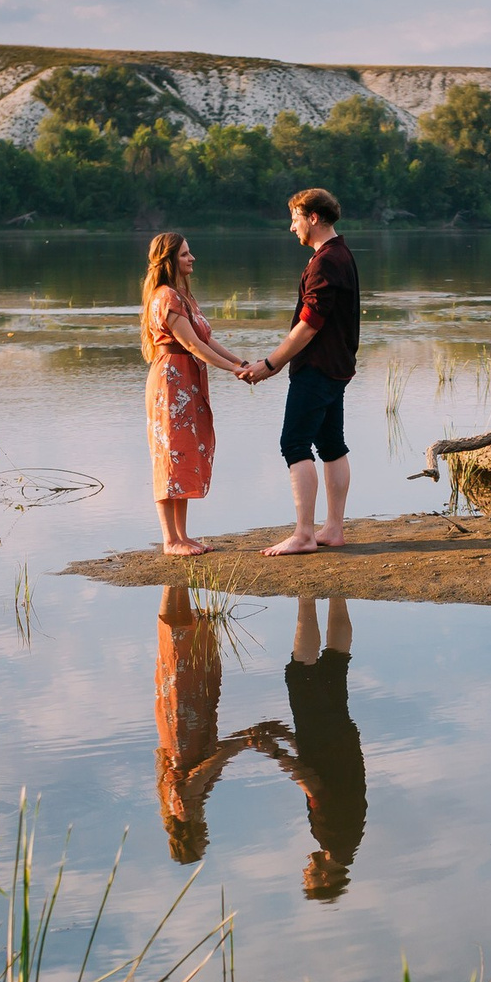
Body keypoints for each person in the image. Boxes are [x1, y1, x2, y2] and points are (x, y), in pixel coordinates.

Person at [238, 189, 359, 556]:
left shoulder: (325, 261)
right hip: (337, 368)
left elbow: (308, 325)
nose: (292, 227)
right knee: (331, 445)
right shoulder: (342, 254)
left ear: (314, 217)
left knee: (294, 444)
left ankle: (305, 534)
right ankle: (333, 529)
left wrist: (270, 365)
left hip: (318, 368)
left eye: (295, 218)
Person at [245, 597, 367, 900]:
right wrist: (275, 752)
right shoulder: (330, 837)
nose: (305, 872)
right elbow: (313, 783)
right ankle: (306, 597)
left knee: (335, 666)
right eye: (309, 879)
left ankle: (337, 593)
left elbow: (328, 772)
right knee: (300, 672)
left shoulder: (351, 841)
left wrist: (287, 736)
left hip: (343, 739)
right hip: (324, 738)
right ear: (324, 877)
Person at [141, 231, 253, 555]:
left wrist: (239, 361)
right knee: (169, 454)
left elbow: (205, 341)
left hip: (185, 380)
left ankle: (182, 535)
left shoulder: (183, 295)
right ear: (170, 260)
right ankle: (170, 540)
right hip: (170, 381)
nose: (192, 258)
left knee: (184, 452)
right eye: (185, 254)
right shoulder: (167, 296)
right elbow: (191, 345)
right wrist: (233, 370)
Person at [152, 585, 251, 862]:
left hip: (185, 730)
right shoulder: (174, 806)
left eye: (201, 844)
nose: (206, 840)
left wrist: (242, 743)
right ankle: (174, 580)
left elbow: (207, 769)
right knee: (178, 651)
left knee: (179, 653)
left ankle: (172, 580)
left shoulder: (183, 809)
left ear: (189, 838)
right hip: (184, 732)